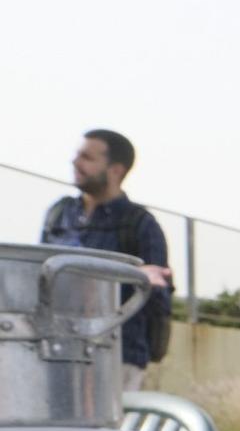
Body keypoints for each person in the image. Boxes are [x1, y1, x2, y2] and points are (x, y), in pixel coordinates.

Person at [40, 130, 173, 392]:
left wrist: (135, 278)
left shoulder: (140, 225)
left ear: (115, 170)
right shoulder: (59, 214)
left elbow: (157, 299)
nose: (76, 162)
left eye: (87, 157)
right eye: (77, 155)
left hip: (117, 359)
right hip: (57, 351)